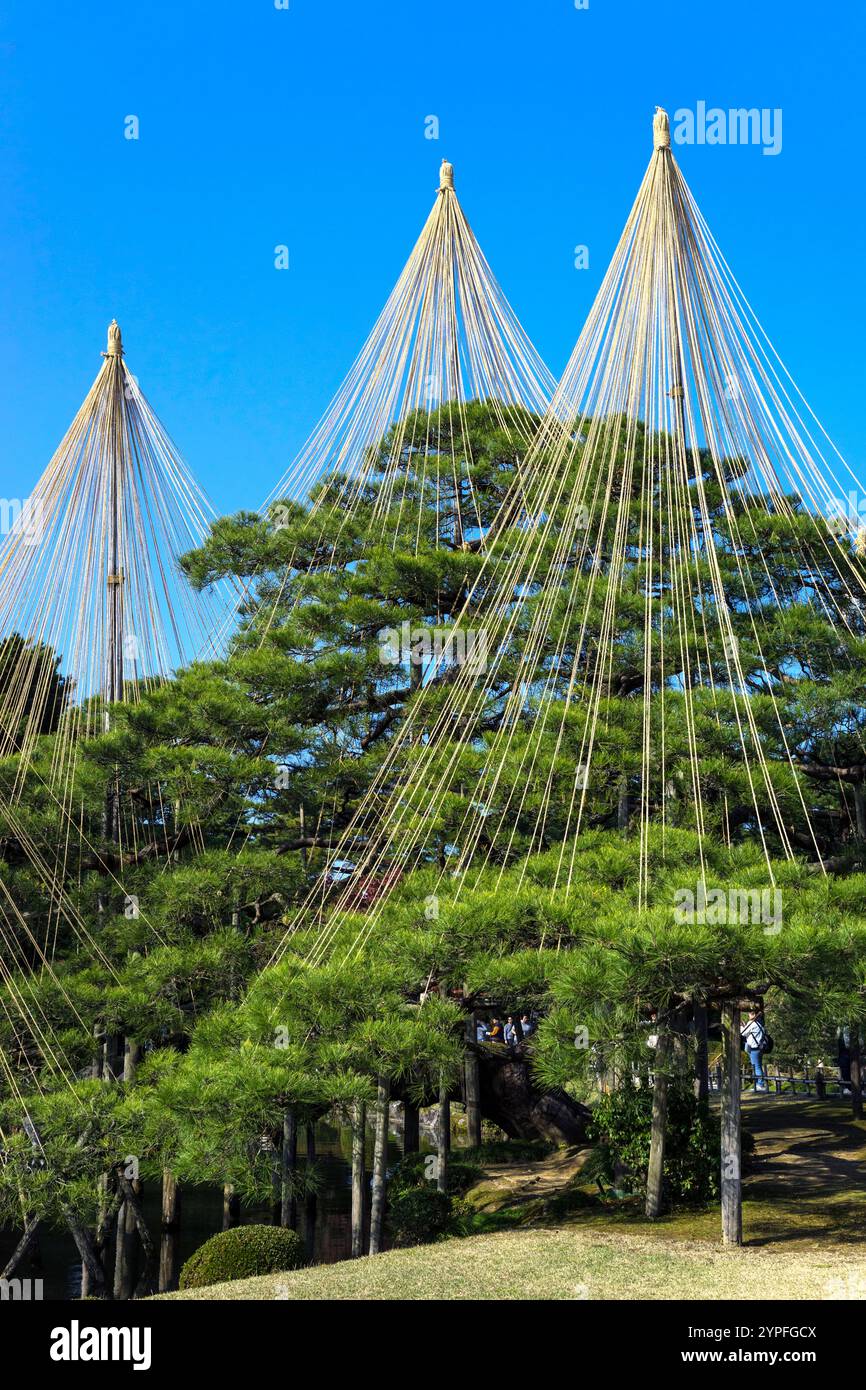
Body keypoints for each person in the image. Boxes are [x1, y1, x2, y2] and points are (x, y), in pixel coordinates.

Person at [741, 1010, 768, 1092]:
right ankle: (760, 1084)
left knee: (756, 1067)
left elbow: (743, 1033)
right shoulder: (760, 1024)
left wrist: (741, 1026)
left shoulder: (752, 1023)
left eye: (750, 1014)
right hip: (759, 1048)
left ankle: (760, 1085)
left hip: (754, 1049)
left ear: (753, 1015)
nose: (749, 1015)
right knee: (758, 1066)